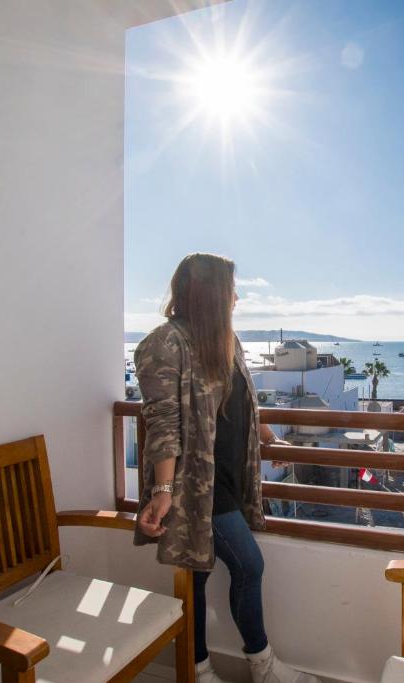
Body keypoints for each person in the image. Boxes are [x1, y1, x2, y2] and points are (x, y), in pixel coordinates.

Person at [133, 253, 320, 683]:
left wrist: (269, 437)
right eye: (231, 288)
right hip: (195, 484)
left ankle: (197, 669)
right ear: (212, 293)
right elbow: (162, 422)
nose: (237, 296)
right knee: (248, 565)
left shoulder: (226, 340)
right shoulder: (165, 343)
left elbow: (239, 402)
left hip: (230, 476)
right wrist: (162, 493)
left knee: (197, 576)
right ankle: (262, 666)